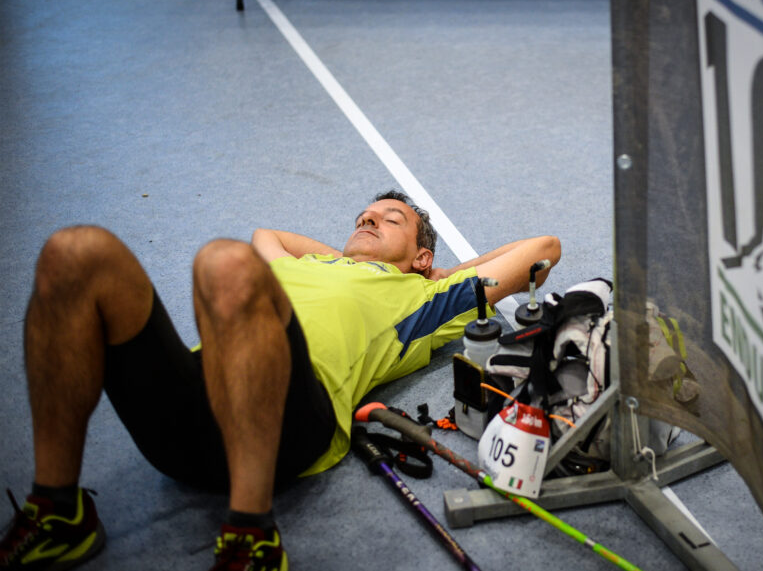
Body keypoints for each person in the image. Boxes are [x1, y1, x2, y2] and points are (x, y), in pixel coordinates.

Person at [0, 190, 560, 571]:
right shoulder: (303, 266)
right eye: (363, 215)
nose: (368, 220)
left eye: (390, 219)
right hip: (190, 411)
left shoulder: (428, 299)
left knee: (226, 261)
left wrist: (439, 273)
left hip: (291, 426)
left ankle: (251, 535)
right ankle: (57, 509)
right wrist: (353, 258)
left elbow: (542, 250)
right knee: (73, 251)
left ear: (421, 255)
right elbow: (268, 235)